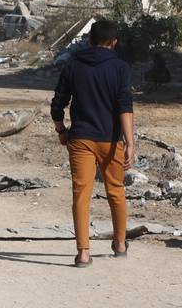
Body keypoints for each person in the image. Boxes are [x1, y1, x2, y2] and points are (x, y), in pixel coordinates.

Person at [50, 19, 135, 268]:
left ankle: (83, 253)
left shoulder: (73, 65)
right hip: (110, 140)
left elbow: (58, 102)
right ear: (114, 42)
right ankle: (120, 243)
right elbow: (124, 106)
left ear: (90, 40)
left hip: (80, 139)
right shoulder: (120, 68)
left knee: (81, 194)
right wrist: (129, 143)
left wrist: (61, 129)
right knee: (116, 192)